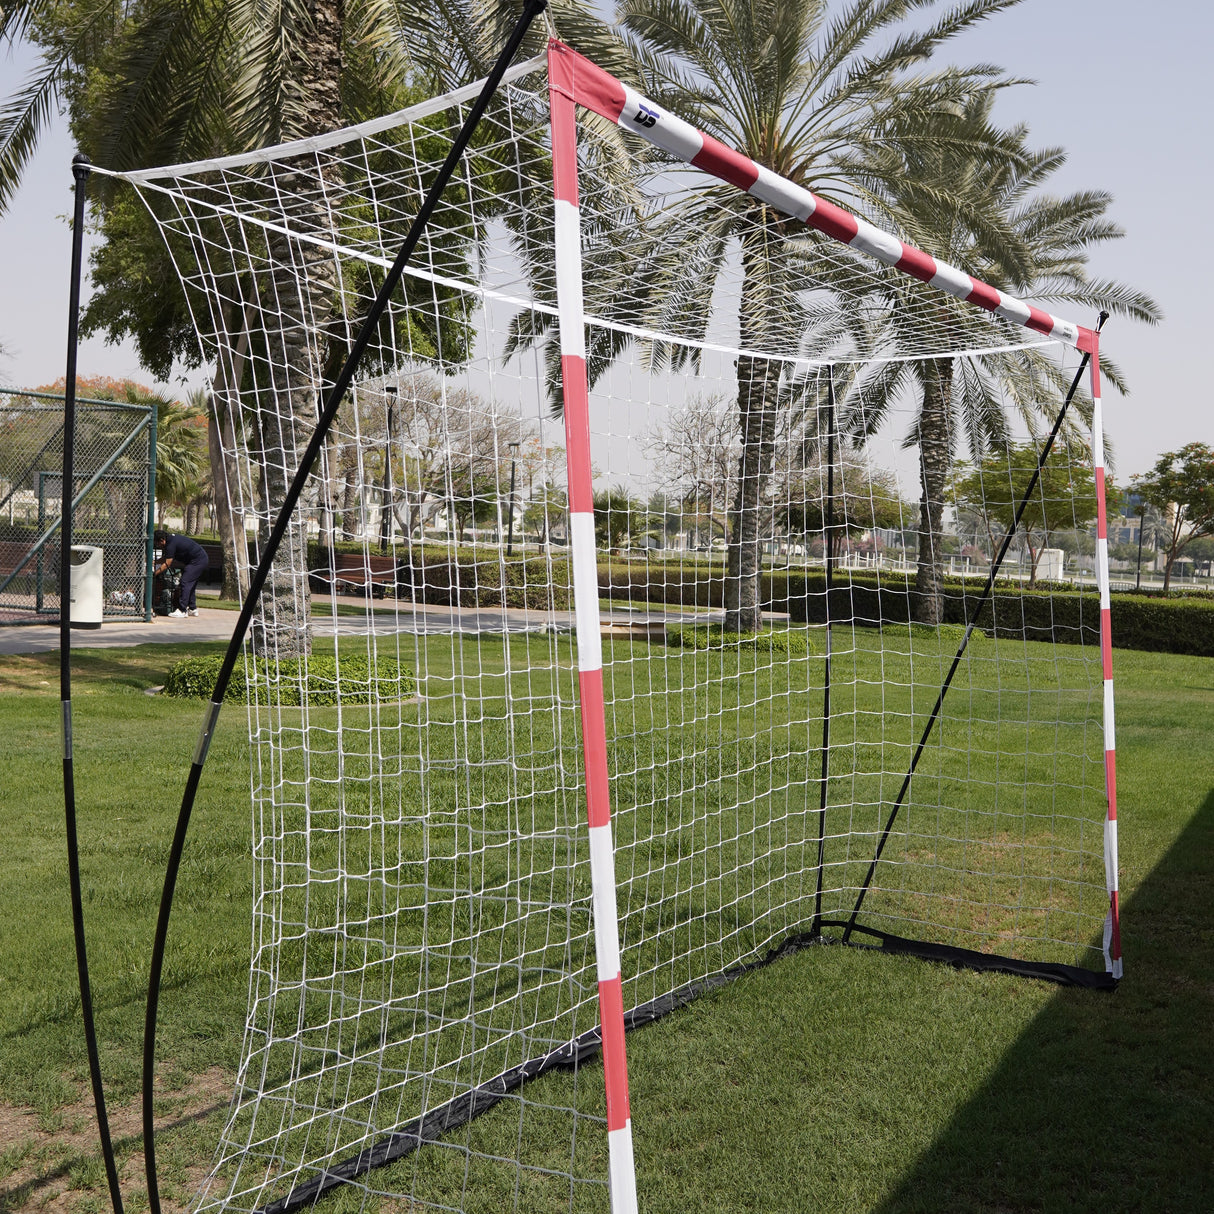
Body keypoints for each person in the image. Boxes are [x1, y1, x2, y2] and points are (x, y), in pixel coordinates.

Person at [153, 530, 209, 618]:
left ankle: (182, 610)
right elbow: (166, 558)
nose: (158, 546)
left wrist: (153, 574)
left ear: (162, 540)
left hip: (197, 561)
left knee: (185, 582)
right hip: (200, 559)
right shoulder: (171, 540)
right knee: (190, 584)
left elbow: (167, 563)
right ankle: (192, 608)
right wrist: (154, 562)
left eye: (158, 543)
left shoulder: (170, 544)